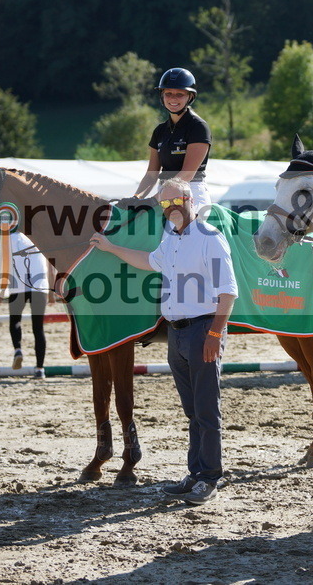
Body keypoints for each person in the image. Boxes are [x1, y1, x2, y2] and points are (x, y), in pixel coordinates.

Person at [89, 178, 237, 506]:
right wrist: (111, 247)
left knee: (206, 408)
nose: (170, 208)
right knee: (192, 410)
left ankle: (210, 476)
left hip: (202, 330)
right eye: (164, 204)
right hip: (177, 332)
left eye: (175, 201)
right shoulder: (170, 238)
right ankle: (196, 473)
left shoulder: (210, 238)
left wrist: (215, 334)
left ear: (189, 199)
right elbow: (149, 261)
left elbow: (228, 291)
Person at [133, 68, 214, 214]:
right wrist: (136, 198)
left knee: (191, 228)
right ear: (162, 96)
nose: (173, 99)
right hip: (163, 194)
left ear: (190, 97)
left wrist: (154, 200)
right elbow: (151, 175)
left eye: (179, 94)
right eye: (168, 93)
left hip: (191, 192)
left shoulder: (199, 127)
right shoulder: (159, 131)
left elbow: (187, 174)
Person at [6, 230, 54, 378]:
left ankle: (18, 349)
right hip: (39, 285)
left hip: (17, 285)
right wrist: (51, 291)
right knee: (38, 328)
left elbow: (4, 262)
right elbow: (50, 265)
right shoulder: (41, 235)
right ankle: (40, 369)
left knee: (15, 320)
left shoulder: (9, 237)